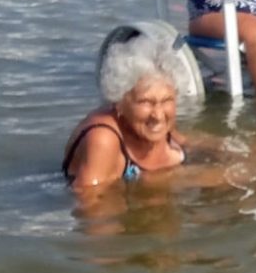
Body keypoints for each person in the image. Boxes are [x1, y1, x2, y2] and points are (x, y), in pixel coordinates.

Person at [62, 33, 189, 189]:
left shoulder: (159, 123)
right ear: (119, 102)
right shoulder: (103, 140)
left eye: (167, 100)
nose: (158, 115)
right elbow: (90, 205)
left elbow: (189, 142)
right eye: (145, 102)